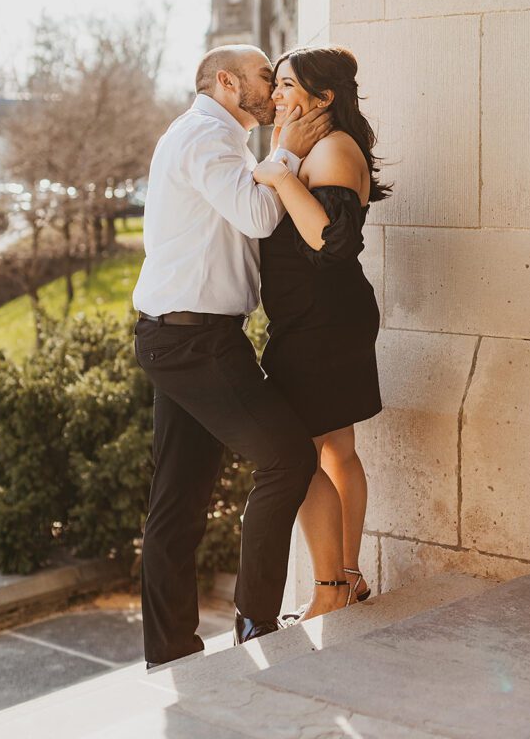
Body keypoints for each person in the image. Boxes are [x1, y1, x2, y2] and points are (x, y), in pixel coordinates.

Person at [132, 44, 331, 667]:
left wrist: (273, 159)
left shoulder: (216, 139)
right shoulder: (207, 138)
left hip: (183, 335)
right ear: (225, 81)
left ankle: (170, 655)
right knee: (288, 458)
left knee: (177, 503)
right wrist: (290, 153)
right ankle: (255, 623)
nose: (274, 90)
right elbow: (256, 215)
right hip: (194, 339)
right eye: (264, 77)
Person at [252, 44, 389, 622]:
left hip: (320, 324)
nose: (276, 96)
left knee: (299, 457)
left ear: (323, 97)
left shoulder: (332, 149)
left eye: (286, 86)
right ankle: (350, 578)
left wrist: (282, 176)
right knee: (337, 449)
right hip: (324, 318)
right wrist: (285, 158)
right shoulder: (320, 145)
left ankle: (330, 588)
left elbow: (333, 244)